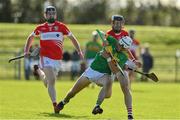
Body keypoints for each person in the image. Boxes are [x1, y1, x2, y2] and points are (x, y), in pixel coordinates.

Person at [55, 34, 140, 120]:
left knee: (108, 81)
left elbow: (114, 70)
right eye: (120, 45)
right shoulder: (112, 41)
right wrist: (105, 41)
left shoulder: (124, 56)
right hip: (92, 71)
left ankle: (97, 106)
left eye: (123, 47)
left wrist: (108, 58)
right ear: (120, 43)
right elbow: (102, 34)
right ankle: (63, 102)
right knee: (73, 92)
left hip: (104, 75)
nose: (120, 47)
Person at [23, 6, 84, 113]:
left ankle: (38, 71)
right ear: (45, 15)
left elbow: (72, 38)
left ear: (55, 15)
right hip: (45, 57)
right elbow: (30, 37)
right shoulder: (40, 28)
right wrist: (26, 51)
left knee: (48, 82)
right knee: (52, 80)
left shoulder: (61, 27)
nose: (51, 15)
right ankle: (55, 105)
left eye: (53, 13)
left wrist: (79, 51)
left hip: (57, 59)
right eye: (49, 13)